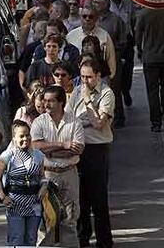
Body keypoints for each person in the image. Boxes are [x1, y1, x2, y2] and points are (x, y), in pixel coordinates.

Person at [66, 59, 115, 248]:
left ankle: (104, 240)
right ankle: (82, 237)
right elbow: (69, 117)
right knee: (81, 198)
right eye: (82, 77)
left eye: (89, 77)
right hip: (79, 148)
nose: (85, 82)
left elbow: (98, 123)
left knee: (99, 198)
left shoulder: (106, 94)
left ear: (98, 76)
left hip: (97, 148)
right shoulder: (76, 92)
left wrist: (87, 100)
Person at [31, 85, 84, 247]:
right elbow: (35, 147)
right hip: (46, 176)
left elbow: (77, 150)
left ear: (61, 102)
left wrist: (50, 150)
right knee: (46, 219)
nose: (46, 104)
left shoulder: (74, 122)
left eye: (51, 101)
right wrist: (64, 145)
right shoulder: (39, 122)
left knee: (70, 218)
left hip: (69, 174)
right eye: (45, 100)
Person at [0, 120, 48, 246]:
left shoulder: (38, 155)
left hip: (34, 203)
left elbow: (42, 177)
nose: (25, 138)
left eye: (27, 135)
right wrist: (3, 197)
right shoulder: (7, 156)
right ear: (14, 138)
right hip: (15, 203)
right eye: (21, 136)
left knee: (31, 239)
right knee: (16, 238)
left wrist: (44, 186)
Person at [135, 7, 164, 132]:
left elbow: (138, 36)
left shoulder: (144, 13)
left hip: (150, 58)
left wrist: (140, 51)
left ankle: (156, 122)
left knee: (152, 91)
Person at [93, 0, 128, 127]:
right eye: (95, 3)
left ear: (106, 5)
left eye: (98, 3)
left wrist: (114, 49)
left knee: (114, 87)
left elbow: (123, 40)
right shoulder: (93, 19)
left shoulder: (116, 20)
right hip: (96, 61)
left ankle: (119, 116)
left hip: (112, 57)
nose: (95, 5)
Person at [67, 5, 116, 80]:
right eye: (84, 16)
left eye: (91, 17)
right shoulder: (71, 36)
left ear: (96, 18)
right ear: (80, 18)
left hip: (99, 79)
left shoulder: (104, 36)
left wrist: (110, 77)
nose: (87, 19)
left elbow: (111, 59)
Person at [107, 0, 136, 107]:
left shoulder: (128, 3)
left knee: (128, 70)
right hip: (113, 42)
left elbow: (133, 20)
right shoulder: (106, 4)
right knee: (116, 72)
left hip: (127, 41)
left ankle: (126, 90)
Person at [19, 20, 48, 91]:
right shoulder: (30, 48)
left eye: (35, 32)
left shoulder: (31, 48)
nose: (33, 35)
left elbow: (22, 69)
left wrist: (23, 88)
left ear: (41, 33)